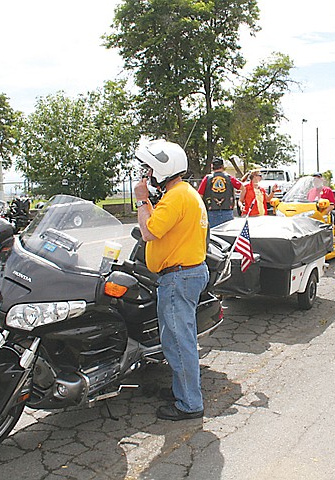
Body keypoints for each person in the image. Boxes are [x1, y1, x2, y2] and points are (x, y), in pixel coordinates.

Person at [133, 139, 210, 421]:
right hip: (186, 273)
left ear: (164, 169)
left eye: (150, 169)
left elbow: (149, 232)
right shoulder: (182, 194)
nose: (147, 175)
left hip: (179, 277)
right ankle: (183, 391)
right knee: (178, 339)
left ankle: (189, 403)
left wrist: (142, 199)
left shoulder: (177, 196)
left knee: (179, 342)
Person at [197, 157, 242, 227]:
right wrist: (240, 200)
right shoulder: (229, 178)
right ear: (222, 166)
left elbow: (199, 196)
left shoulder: (207, 178)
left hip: (212, 211)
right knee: (227, 235)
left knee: (213, 235)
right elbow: (243, 187)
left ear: (212, 166)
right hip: (227, 210)